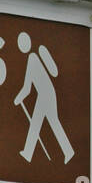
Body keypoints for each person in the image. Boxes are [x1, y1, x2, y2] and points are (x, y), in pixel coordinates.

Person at [13, 32, 74, 164]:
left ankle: (30, 152)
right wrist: (19, 97)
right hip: (46, 93)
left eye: (21, 43)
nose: (20, 46)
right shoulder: (33, 57)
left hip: (46, 94)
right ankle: (30, 152)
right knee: (45, 122)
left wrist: (17, 98)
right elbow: (28, 87)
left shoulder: (32, 58)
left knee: (46, 122)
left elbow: (27, 88)